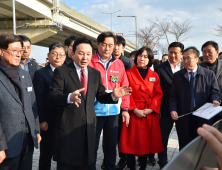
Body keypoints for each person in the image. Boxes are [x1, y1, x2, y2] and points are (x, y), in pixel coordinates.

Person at [49, 37, 131, 170]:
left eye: (88, 54)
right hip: (69, 128)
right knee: (67, 164)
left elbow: (101, 96)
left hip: (88, 128)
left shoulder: (94, 73)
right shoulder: (62, 71)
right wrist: (69, 97)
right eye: (81, 53)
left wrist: (113, 96)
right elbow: (53, 96)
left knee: (87, 163)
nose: (84, 57)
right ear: (72, 54)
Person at [89, 31, 130, 170]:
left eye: (111, 45)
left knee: (111, 146)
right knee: (91, 147)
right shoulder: (89, 62)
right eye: (104, 45)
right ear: (98, 44)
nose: (107, 48)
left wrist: (125, 109)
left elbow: (125, 89)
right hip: (93, 113)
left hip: (113, 112)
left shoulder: (119, 64)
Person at [0, 33, 41, 170]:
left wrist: (35, 130)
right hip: (6, 144)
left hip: (27, 140)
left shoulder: (24, 75)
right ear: (1, 51)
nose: (19, 54)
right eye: (14, 51)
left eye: (21, 51)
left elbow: (32, 105)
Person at [119, 47, 163, 170]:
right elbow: (125, 93)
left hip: (148, 113)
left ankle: (143, 167)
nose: (142, 58)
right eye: (140, 55)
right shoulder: (127, 74)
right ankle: (131, 167)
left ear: (149, 59)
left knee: (145, 143)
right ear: (136, 57)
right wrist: (134, 109)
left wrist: (151, 109)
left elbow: (158, 94)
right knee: (131, 143)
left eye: (145, 56)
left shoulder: (154, 75)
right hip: (133, 112)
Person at [169, 46, 220, 151]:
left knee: (202, 147)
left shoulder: (209, 74)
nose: (186, 61)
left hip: (203, 117)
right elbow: (173, 95)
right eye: (184, 58)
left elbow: (215, 91)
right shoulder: (177, 76)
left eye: (189, 58)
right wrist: (173, 109)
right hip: (184, 117)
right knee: (184, 146)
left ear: (197, 59)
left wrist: (215, 100)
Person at [33, 42, 66, 170]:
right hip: (49, 121)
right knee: (46, 153)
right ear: (48, 55)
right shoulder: (40, 74)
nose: (58, 57)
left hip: (65, 120)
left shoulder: (69, 72)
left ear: (65, 56)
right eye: (54, 54)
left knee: (63, 153)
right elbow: (38, 99)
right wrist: (41, 120)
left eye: (61, 54)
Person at [154, 42, 184, 169]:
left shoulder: (186, 67)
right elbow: (154, 90)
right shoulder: (159, 68)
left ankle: (183, 161)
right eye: (170, 52)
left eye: (176, 52)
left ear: (181, 54)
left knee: (183, 137)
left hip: (183, 110)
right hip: (164, 110)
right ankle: (162, 163)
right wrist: (157, 108)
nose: (172, 55)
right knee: (163, 138)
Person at [112, 35, 133, 170]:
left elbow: (129, 84)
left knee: (121, 133)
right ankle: (110, 159)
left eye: (119, 45)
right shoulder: (108, 60)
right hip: (110, 102)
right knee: (112, 135)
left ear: (123, 48)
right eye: (114, 44)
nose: (116, 47)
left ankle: (123, 159)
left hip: (123, 102)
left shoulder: (127, 62)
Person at [199, 41, 222, 124]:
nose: (206, 54)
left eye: (209, 51)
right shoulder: (198, 68)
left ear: (217, 52)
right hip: (203, 111)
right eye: (204, 52)